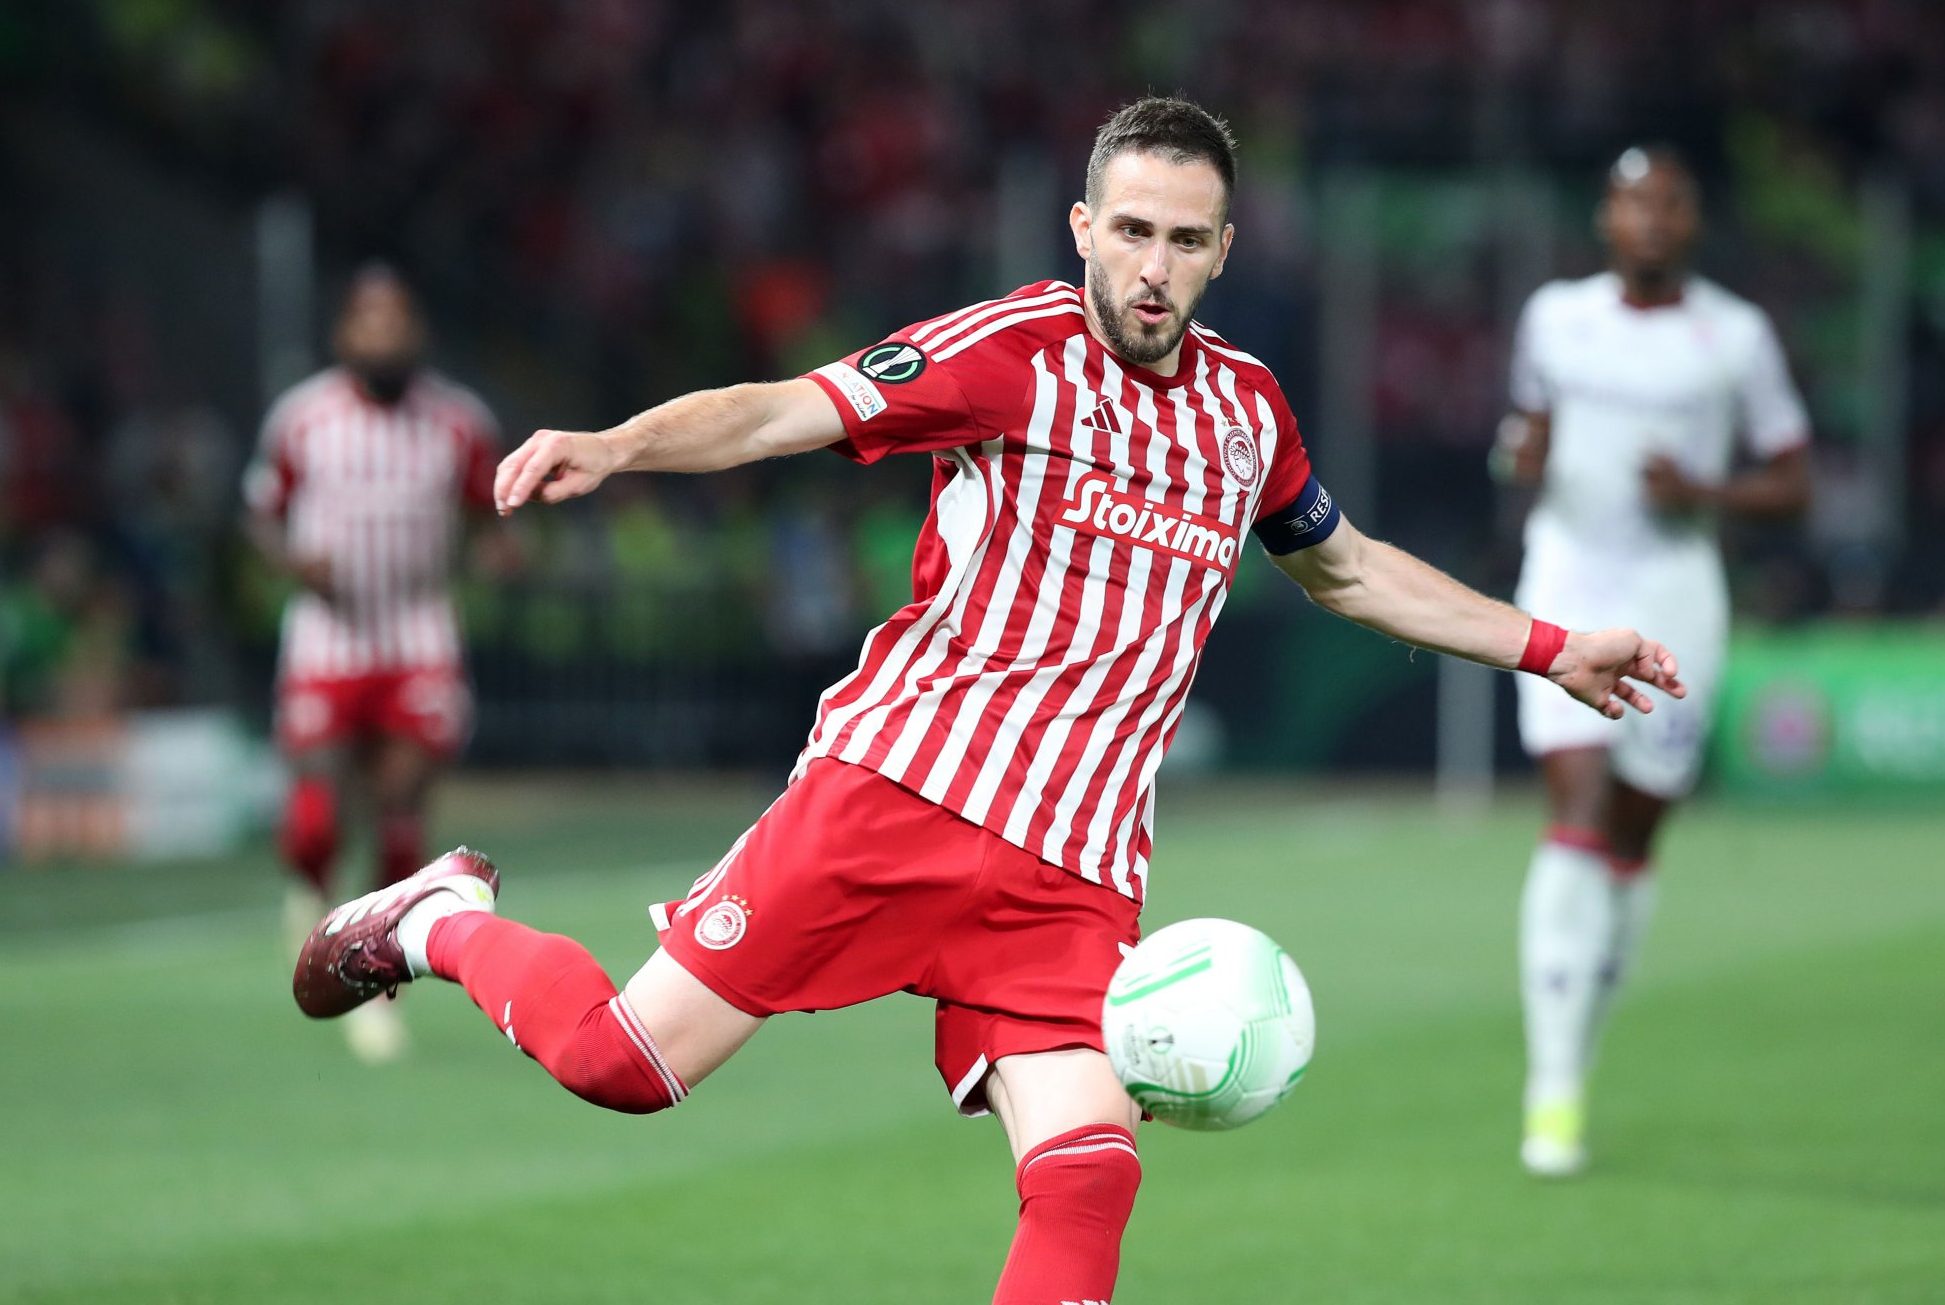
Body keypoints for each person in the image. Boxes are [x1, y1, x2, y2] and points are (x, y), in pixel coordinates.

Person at [294, 100, 1682, 1301]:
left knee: (1087, 1174)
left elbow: (1350, 569)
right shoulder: (1008, 354)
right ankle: (438, 918)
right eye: (1129, 231)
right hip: (897, 793)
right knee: (621, 1065)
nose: (1152, 267)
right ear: (1082, 227)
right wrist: (617, 446)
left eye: (1183, 240)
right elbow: (784, 409)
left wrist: (1548, 644)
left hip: (1074, 868)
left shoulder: (1248, 413)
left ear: (1223, 252)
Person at [1494, 146, 1811, 1177]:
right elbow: (1522, 435)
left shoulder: (1734, 336)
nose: (1652, 222)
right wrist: (1518, 457)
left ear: (1692, 222)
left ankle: (1576, 1050)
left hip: (1676, 593)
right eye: (1635, 205)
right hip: (1568, 578)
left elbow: (1794, 479)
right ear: (1606, 219)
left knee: (1633, 830)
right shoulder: (1554, 318)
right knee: (1577, 806)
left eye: (1670, 205)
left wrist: (1705, 495)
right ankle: (1550, 1093)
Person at [248, 264, 502, 1062]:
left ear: (417, 332)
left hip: (418, 632)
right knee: (316, 817)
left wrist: (496, 550)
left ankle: (376, 977)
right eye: (369, 320)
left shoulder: (458, 421)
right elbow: (261, 514)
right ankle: (313, 896)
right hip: (329, 635)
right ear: (344, 333)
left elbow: (486, 509)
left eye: (397, 321)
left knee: (400, 802)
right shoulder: (304, 418)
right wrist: (294, 562)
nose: (383, 335)